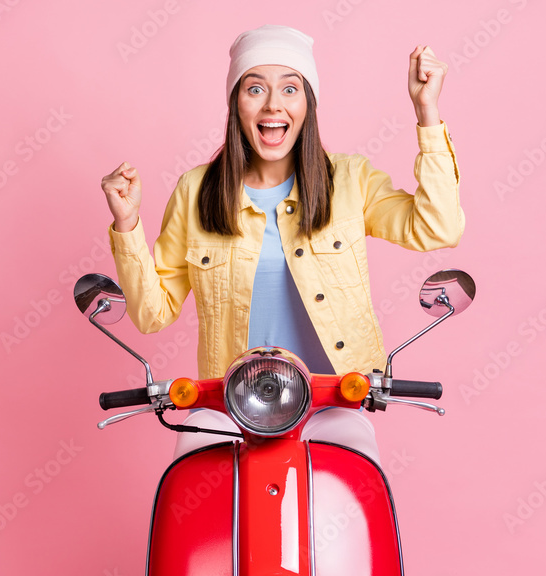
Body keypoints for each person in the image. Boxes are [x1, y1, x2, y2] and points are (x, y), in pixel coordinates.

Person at [101, 25, 465, 461]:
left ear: (308, 104)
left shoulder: (350, 180)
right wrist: (126, 224)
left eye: (290, 89)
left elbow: (438, 227)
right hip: (231, 409)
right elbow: (151, 313)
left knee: (353, 496)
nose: (273, 105)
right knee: (192, 492)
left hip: (334, 400)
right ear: (236, 103)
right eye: (255, 88)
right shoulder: (197, 191)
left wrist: (427, 113)